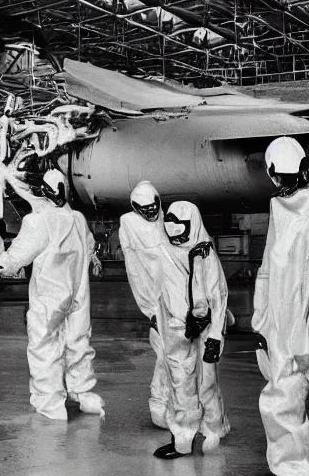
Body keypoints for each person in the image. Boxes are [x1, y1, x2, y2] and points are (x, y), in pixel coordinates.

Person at [0, 169, 104, 420]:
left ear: (43, 192)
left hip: (50, 295)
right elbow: (89, 244)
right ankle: (83, 393)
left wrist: (3, 264)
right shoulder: (77, 219)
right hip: (78, 294)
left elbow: (22, 250)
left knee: (44, 346)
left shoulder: (39, 220)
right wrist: (94, 258)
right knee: (78, 342)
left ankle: (51, 403)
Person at [253, 136, 309, 476]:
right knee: (281, 400)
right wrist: (262, 322)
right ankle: (295, 470)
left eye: (291, 178)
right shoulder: (278, 208)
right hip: (284, 326)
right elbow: (268, 269)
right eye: (280, 179)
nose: (287, 186)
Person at [154, 200, 230, 459]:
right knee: (181, 384)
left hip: (206, 328)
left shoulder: (205, 254)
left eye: (181, 227)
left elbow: (218, 297)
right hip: (177, 329)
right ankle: (183, 439)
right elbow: (161, 292)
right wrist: (158, 319)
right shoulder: (164, 252)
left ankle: (214, 429)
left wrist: (215, 335)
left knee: (207, 382)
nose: (175, 233)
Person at [118, 181, 170, 428]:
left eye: (153, 207)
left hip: (177, 301)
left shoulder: (167, 221)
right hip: (157, 306)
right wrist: (151, 310)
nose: (150, 212)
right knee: (166, 357)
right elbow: (136, 273)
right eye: (145, 209)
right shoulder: (129, 224)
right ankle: (159, 407)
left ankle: (173, 407)